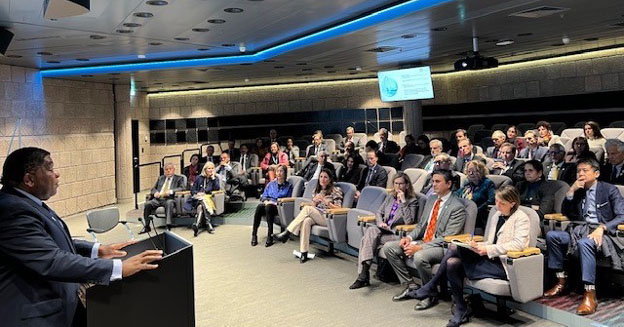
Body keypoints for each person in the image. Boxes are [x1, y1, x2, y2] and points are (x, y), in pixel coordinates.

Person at [0, 147, 162, 327]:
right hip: (37, 316)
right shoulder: (11, 210)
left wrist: (96, 250)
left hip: (62, 305)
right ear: (29, 179)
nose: (57, 174)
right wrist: (117, 268)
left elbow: (50, 241)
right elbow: (51, 260)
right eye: (50, 168)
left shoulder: (27, 203)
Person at [412, 185, 530, 327]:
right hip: (489, 258)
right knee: (452, 263)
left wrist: (487, 248)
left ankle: (432, 286)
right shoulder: (497, 215)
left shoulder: (521, 218)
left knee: (454, 248)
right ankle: (460, 307)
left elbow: (518, 245)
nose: (497, 206)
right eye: (496, 201)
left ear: (513, 203)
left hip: (504, 265)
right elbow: (491, 240)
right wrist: (476, 245)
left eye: (502, 203)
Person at [543, 158, 624, 315]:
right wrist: (571, 192)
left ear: (597, 173)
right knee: (553, 235)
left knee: (585, 243)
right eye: (578, 171)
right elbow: (567, 214)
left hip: (603, 233)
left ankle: (589, 293)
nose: (580, 174)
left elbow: (622, 215)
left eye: (585, 170)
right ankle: (561, 280)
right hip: (578, 230)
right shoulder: (578, 190)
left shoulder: (609, 189)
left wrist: (603, 227)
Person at [383, 169, 467, 310]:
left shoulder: (457, 207)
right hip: (424, 240)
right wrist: (409, 238)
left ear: (449, 184)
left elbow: (447, 238)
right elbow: (421, 224)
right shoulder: (432, 199)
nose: (433, 184)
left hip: (442, 247)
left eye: (437, 181)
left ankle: (430, 294)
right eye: (432, 181)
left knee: (420, 256)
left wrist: (420, 247)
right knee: (389, 247)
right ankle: (410, 285)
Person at [349, 173, 419, 289]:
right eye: (396, 183)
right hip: (384, 230)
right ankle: (363, 274)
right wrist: (380, 222)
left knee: (366, 239)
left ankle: (363, 275)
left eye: (401, 183)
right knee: (371, 230)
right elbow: (378, 213)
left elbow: (409, 221)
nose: (398, 186)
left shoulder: (412, 201)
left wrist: (403, 202)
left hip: (398, 234)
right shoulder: (390, 197)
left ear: (407, 185)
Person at [273, 169, 343, 263]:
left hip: (329, 219)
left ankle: (288, 232)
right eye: (321, 177)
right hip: (318, 215)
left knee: (307, 209)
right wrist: (314, 202)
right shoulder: (317, 190)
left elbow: (339, 209)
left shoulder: (336, 190)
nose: (322, 179)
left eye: (325, 177)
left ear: (330, 179)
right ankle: (304, 252)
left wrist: (327, 202)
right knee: (306, 221)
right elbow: (314, 207)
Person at [251, 164, 292, 247]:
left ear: (285, 173)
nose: (279, 173)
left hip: (279, 207)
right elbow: (264, 196)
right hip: (268, 203)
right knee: (260, 207)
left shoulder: (289, 186)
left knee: (269, 208)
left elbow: (288, 199)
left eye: (281, 171)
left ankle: (270, 235)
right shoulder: (271, 184)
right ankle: (254, 235)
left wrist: (275, 203)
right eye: (277, 171)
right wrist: (266, 201)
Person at [142, 162, 186, 233]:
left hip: (169, 198)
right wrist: (155, 192)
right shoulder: (161, 178)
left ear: (174, 170)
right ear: (164, 171)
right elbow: (153, 189)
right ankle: (147, 226)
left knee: (169, 203)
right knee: (147, 204)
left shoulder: (179, 178)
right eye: (166, 169)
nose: (168, 171)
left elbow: (182, 188)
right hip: (158, 199)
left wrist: (170, 191)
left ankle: (168, 225)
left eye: (170, 169)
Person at [457, 160, 496, 233]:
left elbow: (491, 200)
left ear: (480, 171)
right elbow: (456, 195)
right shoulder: (468, 185)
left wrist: (475, 211)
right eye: (468, 171)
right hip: (462, 217)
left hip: (479, 219)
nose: (471, 173)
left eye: (473, 171)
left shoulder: (488, 183)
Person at [184, 161, 220, 236]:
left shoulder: (215, 178)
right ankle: (208, 224)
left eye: (212, 168)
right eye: (209, 168)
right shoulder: (199, 178)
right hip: (196, 199)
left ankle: (197, 225)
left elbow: (217, 188)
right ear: (205, 169)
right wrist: (197, 193)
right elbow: (192, 190)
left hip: (207, 199)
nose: (210, 170)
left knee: (201, 206)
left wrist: (213, 178)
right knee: (201, 201)